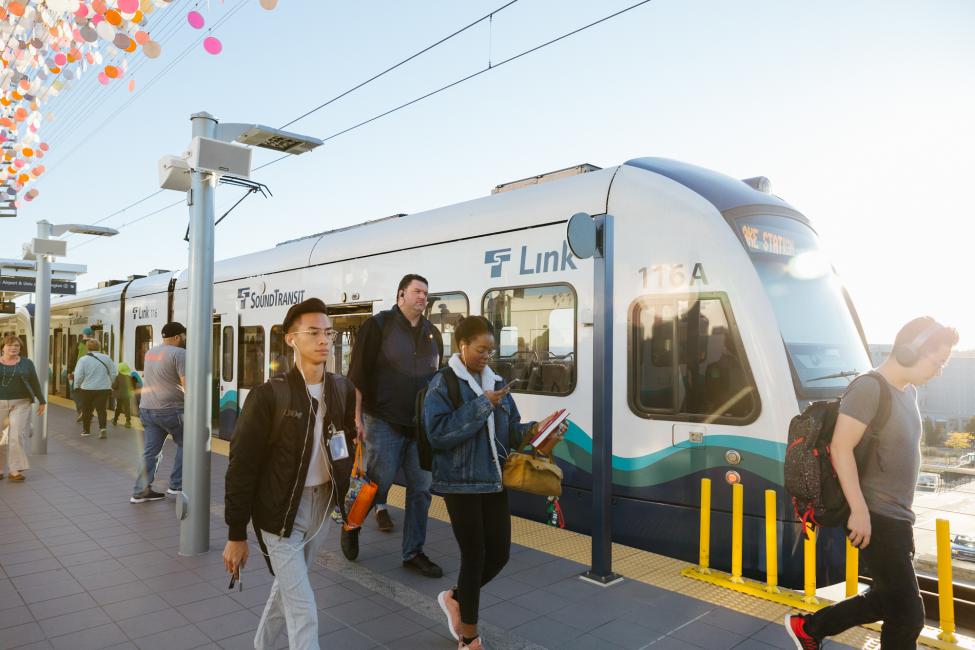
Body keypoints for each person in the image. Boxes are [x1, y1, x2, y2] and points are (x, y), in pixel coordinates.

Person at [785, 317, 959, 650]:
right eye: (936, 362)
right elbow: (840, 447)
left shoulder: (906, 393)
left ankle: (808, 628)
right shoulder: (869, 388)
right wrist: (860, 511)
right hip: (876, 516)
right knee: (908, 616)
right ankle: (807, 627)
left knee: (886, 599)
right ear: (909, 351)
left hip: (897, 515)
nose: (938, 371)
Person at [424, 316, 567, 650]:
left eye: (491, 349)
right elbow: (439, 434)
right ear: (462, 346)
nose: (487, 355)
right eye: (481, 349)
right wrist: (482, 404)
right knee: (474, 557)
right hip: (461, 485)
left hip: (494, 482)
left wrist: (538, 430)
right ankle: (469, 638)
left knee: (499, 554)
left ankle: (455, 598)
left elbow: (511, 430)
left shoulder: (497, 381)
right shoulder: (443, 384)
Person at [223, 298, 356, 650]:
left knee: (288, 591)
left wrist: (345, 486)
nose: (324, 339)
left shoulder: (341, 389)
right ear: (291, 339)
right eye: (313, 332)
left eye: (328, 332)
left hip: (321, 505)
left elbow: (344, 442)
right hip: (280, 512)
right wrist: (237, 533)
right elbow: (241, 466)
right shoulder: (269, 396)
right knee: (304, 610)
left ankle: (261, 645)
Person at [346, 273, 444, 575]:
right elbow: (357, 375)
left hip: (420, 426)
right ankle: (351, 526)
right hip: (383, 422)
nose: (422, 298)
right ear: (401, 294)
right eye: (417, 292)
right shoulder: (378, 326)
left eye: (426, 293)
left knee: (421, 489)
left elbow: (438, 379)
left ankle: (413, 552)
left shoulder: (432, 333)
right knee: (376, 486)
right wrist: (356, 419)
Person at [130, 321, 186, 503]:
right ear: (178, 337)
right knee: (188, 444)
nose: (185, 339)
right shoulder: (180, 353)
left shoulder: (151, 353)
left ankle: (140, 491)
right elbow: (187, 384)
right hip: (171, 409)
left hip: (147, 408)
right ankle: (176, 486)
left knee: (151, 451)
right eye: (184, 336)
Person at [0, 334, 46, 482]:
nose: (13, 348)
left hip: (21, 403)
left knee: (16, 435)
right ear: (3, 348)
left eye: (17, 346)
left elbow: (34, 381)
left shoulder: (27, 363)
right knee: (0, 437)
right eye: (10, 345)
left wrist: (42, 401)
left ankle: (14, 470)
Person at [72, 339, 118, 439]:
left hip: (87, 389)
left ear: (87, 348)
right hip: (103, 388)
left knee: (86, 410)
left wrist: (76, 385)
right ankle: (103, 428)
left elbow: (79, 375)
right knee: (101, 409)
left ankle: (86, 431)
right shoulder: (107, 358)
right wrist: (112, 384)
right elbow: (113, 373)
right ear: (99, 347)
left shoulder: (83, 360)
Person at [68, 326, 94, 422]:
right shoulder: (96, 345)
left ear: (83, 334)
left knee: (75, 392)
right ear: (91, 335)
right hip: (92, 374)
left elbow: (73, 358)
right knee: (89, 394)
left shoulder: (79, 344)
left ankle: (82, 410)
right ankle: (88, 412)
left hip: (79, 373)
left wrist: (70, 372)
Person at [112, 362, 135, 427]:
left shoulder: (118, 377)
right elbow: (132, 387)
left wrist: (112, 385)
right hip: (127, 395)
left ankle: (115, 420)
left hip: (119, 396)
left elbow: (114, 386)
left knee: (118, 407)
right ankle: (128, 422)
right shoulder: (129, 377)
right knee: (127, 408)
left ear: (120, 370)